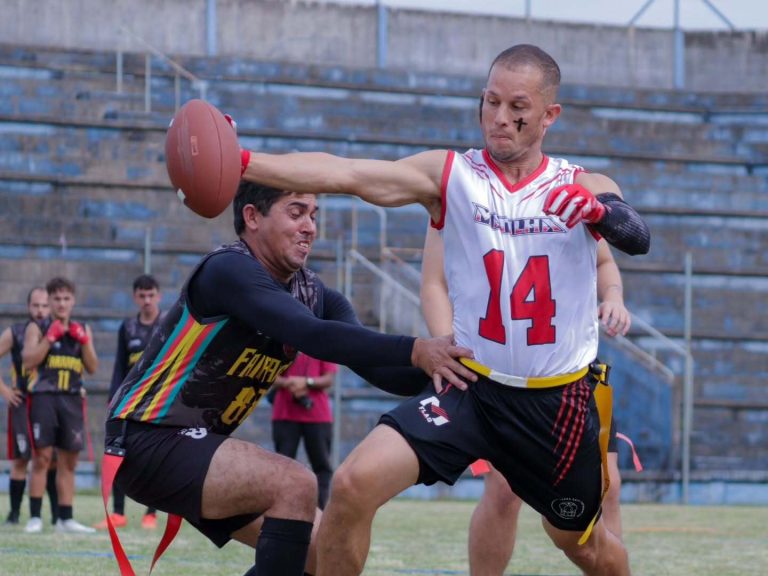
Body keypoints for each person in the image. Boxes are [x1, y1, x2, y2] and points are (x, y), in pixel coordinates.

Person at [237, 43, 650, 575]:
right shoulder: (451, 174)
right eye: (490, 102)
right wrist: (244, 162)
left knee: (582, 546)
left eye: (517, 108)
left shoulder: (580, 184)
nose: (499, 119)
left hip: (557, 407)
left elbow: (635, 234)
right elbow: (349, 173)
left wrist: (600, 212)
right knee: (353, 483)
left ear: (550, 116)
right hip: (474, 390)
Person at [103, 180, 474, 576]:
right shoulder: (228, 269)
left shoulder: (315, 293)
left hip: (197, 445)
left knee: (330, 553)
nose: (310, 226)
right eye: (296, 213)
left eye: (314, 215)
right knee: (295, 483)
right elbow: (311, 335)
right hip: (145, 437)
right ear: (252, 218)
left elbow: (382, 370)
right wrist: (417, 348)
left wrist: (448, 370)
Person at [420, 224, 631, 575]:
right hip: (501, 376)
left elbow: (604, 261)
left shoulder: (570, 189)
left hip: (570, 374)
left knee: (608, 486)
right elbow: (433, 281)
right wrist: (445, 342)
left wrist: (614, 296)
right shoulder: (460, 190)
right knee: (503, 489)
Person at [22, 277, 99, 534]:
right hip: (45, 398)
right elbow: (28, 360)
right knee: (42, 458)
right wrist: (49, 338)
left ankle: (65, 519)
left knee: (69, 461)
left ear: (73, 301)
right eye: (57, 298)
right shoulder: (38, 327)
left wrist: (84, 341)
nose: (62, 303)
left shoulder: (82, 329)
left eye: (66, 298)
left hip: (73, 399)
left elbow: (93, 367)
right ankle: (35, 517)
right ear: (50, 301)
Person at [95, 274, 164, 531]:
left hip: (158, 401)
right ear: (135, 297)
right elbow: (120, 366)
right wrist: (114, 397)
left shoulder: (168, 323)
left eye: (151, 295)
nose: (147, 300)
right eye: (142, 295)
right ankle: (118, 513)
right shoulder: (127, 328)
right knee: (117, 453)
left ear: (159, 295)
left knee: (156, 458)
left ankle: (151, 514)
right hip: (129, 402)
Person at [0, 287, 59, 526]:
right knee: (22, 459)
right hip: (23, 401)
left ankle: (58, 515)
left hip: (51, 403)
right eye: (36, 305)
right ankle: (14, 514)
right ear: (28, 307)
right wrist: (4, 391)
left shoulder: (60, 331)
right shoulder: (16, 332)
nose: (41, 310)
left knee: (52, 458)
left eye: (45, 305)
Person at [271, 352, 337, 509]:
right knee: (282, 466)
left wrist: (306, 382)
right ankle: (281, 509)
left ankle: (320, 510)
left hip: (317, 415)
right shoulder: (281, 342)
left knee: (322, 466)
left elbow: (328, 379)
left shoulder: (322, 344)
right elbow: (270, 375)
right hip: (284, 414)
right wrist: (290, 383)